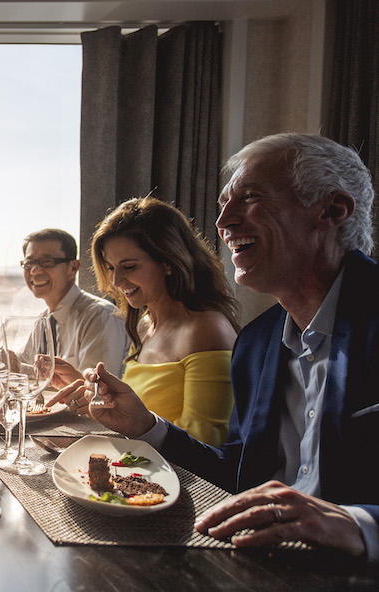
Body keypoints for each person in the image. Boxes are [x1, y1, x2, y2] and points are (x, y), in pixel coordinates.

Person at [53, 133, 379, 562]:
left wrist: (359, 524)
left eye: (250, 198)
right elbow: (235, 473)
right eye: (225, 203)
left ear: (331, 211)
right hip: (254, 563)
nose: (223, 221)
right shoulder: (258, 343)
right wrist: (146, 425)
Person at [49, 197, 239, 446]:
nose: (116, 281)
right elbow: (137, 418)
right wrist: (92, 392)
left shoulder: (207, 330)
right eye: (110, 267)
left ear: (169, 262)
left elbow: (206, 448)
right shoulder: (143, 325)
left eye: (129, 267)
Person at [20, 228, 129, 375]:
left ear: (73, 268)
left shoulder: (101, 317)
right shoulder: (44, 319)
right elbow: (26, 365)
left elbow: (98, 389)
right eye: (29, 263)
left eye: (47, 262)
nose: (35, 271)